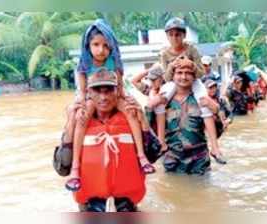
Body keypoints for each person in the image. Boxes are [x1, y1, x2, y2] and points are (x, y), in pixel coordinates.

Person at [66, 19, 154, 193]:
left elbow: (120, 87)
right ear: (88, 45)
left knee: (131, 112)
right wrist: (80, 106)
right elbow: (82, 91)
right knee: (81, 119)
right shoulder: (84, 64)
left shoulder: (114, 62)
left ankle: (141, 156)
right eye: (96, 45)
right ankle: (75, 166)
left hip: (114, 95)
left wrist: (129, 102)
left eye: (106, 46)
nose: (101, 50)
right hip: (91, 96)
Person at [149, 17, 224, 160]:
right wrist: (173, 66)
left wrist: (190, 65)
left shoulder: (191, 49)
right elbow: (166, 77)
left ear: (184, 35)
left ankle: (214, 147)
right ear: (167, 36)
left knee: (205, 104)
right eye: (171, 34)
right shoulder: (165, 54)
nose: (174, 38)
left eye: (178, 34)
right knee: (159, 103)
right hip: (172, 83)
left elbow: (201, 72)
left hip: (194, 81)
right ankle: (161, 142)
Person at [162, 58, 227, 175]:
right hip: (172, 159)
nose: (183, 77)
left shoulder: (202, 100)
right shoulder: (164, 100)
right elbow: (151, 128)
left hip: (199, 160)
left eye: (188, 73)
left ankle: (216, 150)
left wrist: (216, 111)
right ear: (173, 76)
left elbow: (218, 131)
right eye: (179, 73)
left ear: (194, 77)